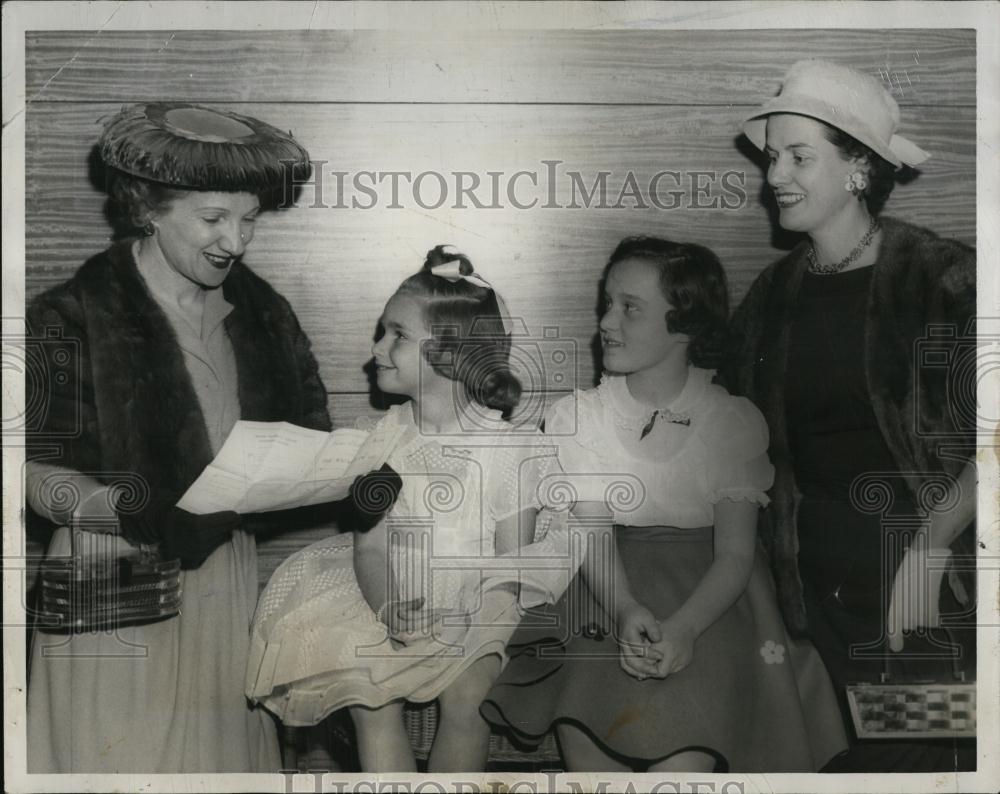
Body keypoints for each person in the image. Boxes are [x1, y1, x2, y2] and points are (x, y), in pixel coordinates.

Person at [25, 102, 330, 772]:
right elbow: (32, 470)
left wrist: (347, 471)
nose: (237, 242)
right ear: (148, 209)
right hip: (112, 574)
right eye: (214, 220)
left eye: (249, 219)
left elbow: (305, 439)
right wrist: (129, 510)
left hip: (222, 583)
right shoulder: (71, 316)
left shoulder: (265, 315)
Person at [481, 236, 847, 772]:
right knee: (592, 733)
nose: (607, 321)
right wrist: (626, 608)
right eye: (607, 303)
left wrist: (685, 629)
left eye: (630, 308)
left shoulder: (732, 421)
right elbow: (591, 535)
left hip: (709, 598)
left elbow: (736, 556)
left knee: (687, 752)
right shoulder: (580, 416)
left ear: (687, 325)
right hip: (603, 583)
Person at [727, 59, 977, 772]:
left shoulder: (942, 278)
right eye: (773, 157)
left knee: (914, 754)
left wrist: (931, 543)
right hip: (813, 606)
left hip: (931, 595)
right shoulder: (772, 298)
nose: (775, 175)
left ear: (859, 169)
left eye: (800, 157)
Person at [245, 245, 571, 772]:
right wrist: (386, 608)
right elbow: (369, 547)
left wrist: (470, 625)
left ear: (451, 353)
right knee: (370, 697)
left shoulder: (512, 449)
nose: (376, 348)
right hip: (391, 587)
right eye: (382, 331)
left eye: (397, 335)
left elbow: (513, 572)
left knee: (468, 695)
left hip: (484, 602)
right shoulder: (381, 441)